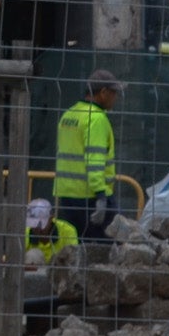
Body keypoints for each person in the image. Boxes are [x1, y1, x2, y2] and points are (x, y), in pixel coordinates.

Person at [53, 69, 121, 243]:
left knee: (75, 248)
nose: (116, 98)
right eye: (114, 93)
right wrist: (101, 196)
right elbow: (95, 160)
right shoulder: (96, 118)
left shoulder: (69, 114)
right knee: (102, 250)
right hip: (91, 197)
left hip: (67, 196)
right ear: (103, 93)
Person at [25, 197, 80, 263]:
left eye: (40, 224)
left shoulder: (67, 230)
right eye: (33, 224)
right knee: (33, 255)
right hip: (34, 271)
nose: (37, 229)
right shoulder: (25, 232)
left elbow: (73, 257)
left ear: (51, 218)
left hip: (59, 270)